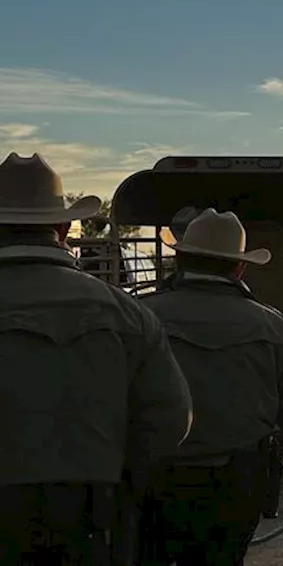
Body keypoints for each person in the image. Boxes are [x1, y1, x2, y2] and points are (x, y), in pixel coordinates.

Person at [136, 208, 283, 565]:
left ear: (180, 258)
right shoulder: (272, 327)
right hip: (234, 483)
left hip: (152, 477)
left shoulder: (138, 316)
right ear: (239, 267)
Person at [0, 152, 193, 565]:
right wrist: (118, 468)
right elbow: (171, 418)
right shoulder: (127, 314)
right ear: (63, 227)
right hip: (92, 509)